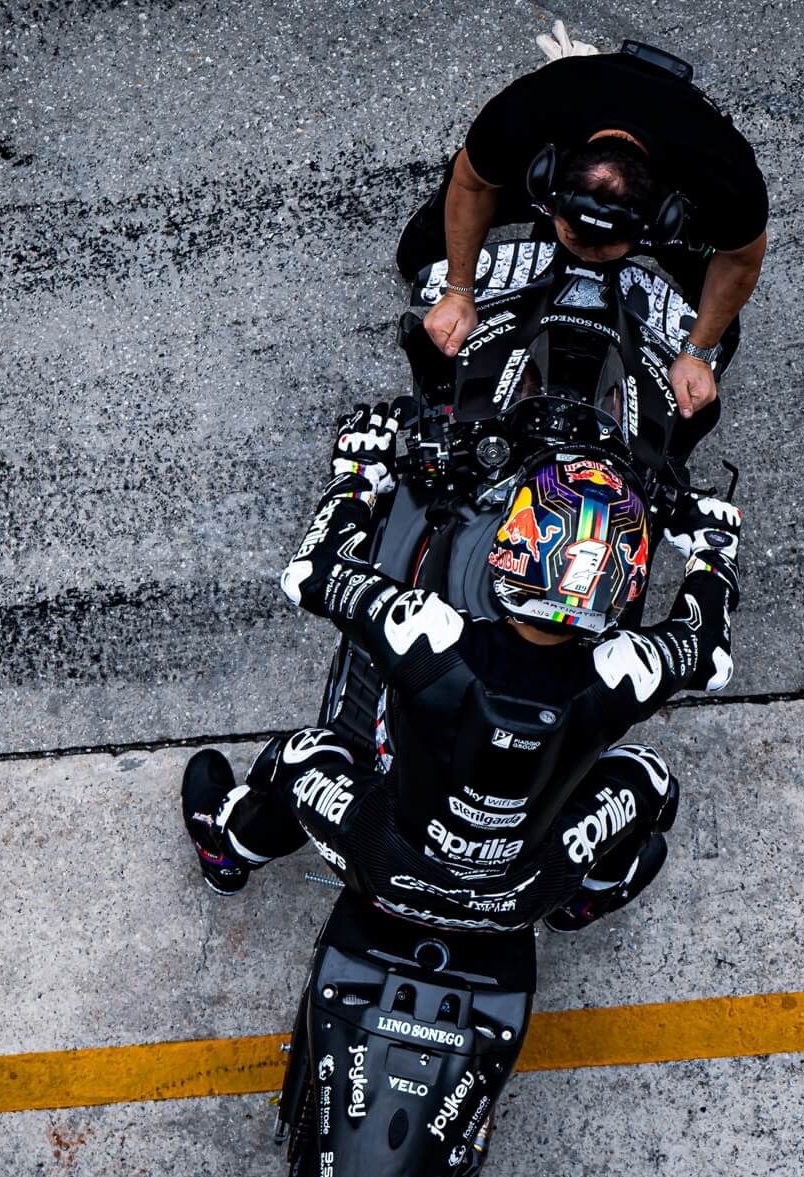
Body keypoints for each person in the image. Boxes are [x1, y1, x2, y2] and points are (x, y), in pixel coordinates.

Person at [180, 402, 743, 933]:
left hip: (388, 867)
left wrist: (358, 474)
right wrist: (713, 548)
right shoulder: (628, 670)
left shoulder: (427, 633)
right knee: (649, 778)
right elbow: (710, 656)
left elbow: (308, 575)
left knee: (301, 755)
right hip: (522, 895)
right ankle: (587, 896)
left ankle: (227, 847)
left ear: (515, 542)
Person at [396, 29, 768, 440]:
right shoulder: (526, 115)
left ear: (663, 219)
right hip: (567, 119)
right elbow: (472, 184)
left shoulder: (722, 179)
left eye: (605, 249)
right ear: (544, 179)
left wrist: (697, 352)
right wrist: (458, 291)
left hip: (677, 175)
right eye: (574, 238)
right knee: (417, 257)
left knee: (720, 341)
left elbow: (741, 259)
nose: (587, 257)